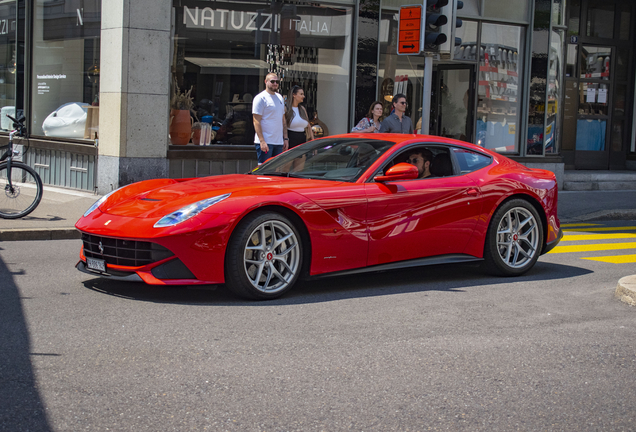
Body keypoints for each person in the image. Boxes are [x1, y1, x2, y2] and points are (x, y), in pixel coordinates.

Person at [252, 73, 288, 164]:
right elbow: (256, 121)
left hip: (279, 142)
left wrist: (286, 138)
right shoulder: (260, 98)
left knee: (276, 170)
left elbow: (283, 120)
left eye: (277, 82)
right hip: (266, 141)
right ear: (266, 82)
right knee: (263, 170)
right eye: (272, 81)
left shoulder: (280, 97)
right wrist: (262, 141)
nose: (275, 84)